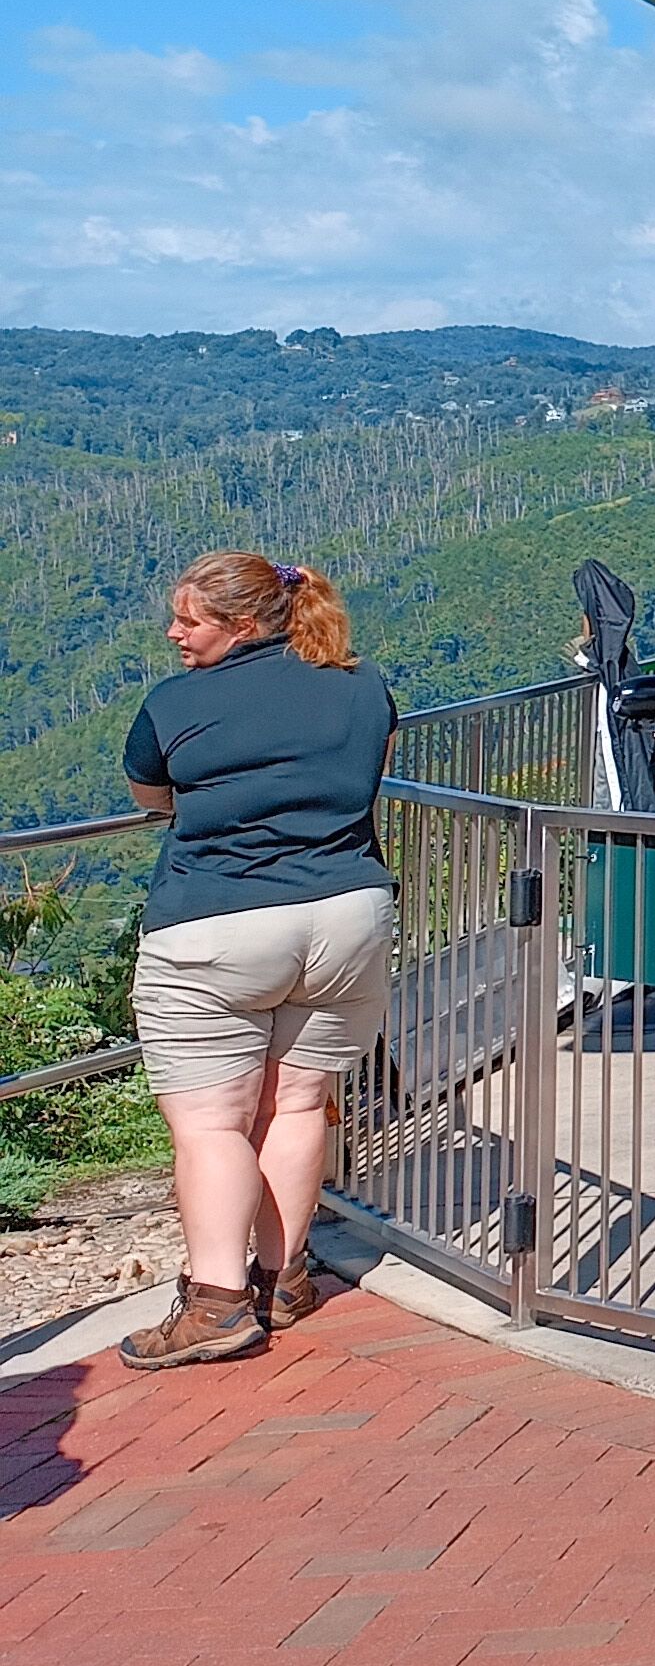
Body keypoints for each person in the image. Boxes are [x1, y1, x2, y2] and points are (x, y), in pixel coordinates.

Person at [115, 553, 398, 1370]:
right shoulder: (361, 682)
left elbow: (152, 798)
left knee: (211, 1121)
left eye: (190, 620)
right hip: (346, 914)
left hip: (217, 924)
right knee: (301, 1104)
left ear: (241, 626)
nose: (174, 633)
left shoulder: (176, 703)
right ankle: (284, 1278)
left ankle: (216, 1305)